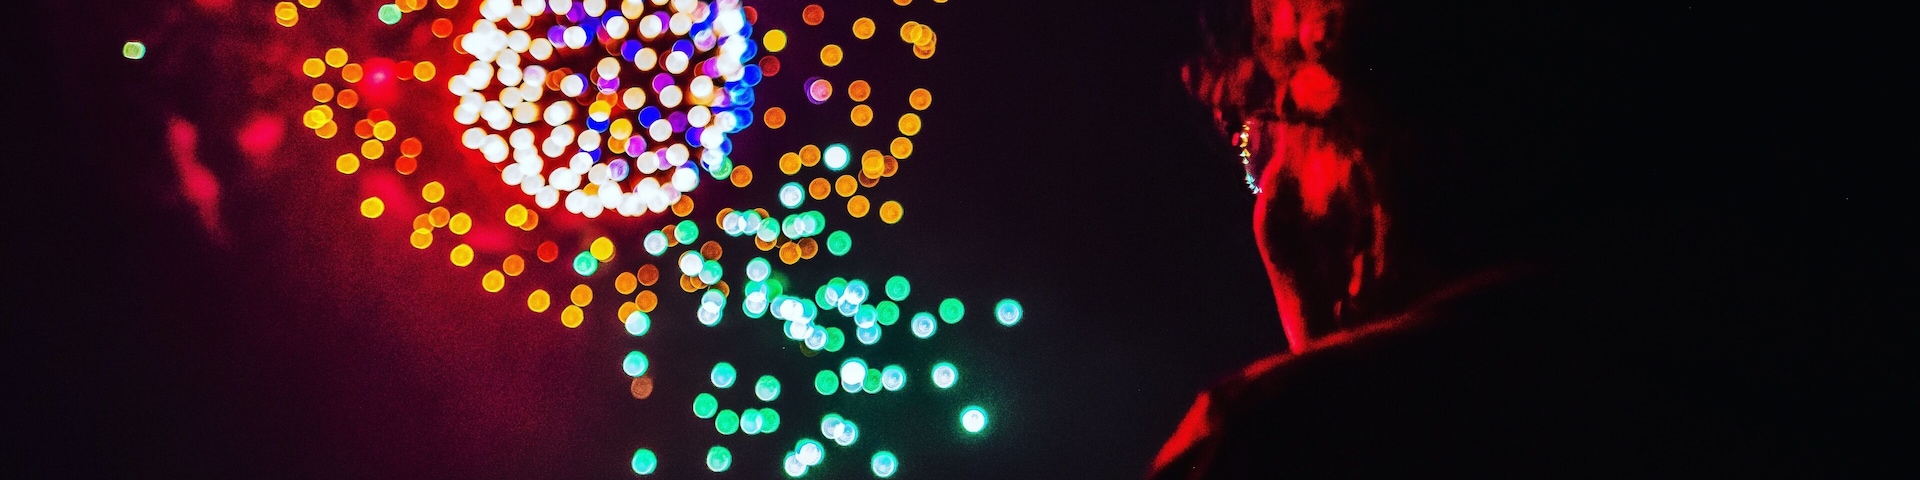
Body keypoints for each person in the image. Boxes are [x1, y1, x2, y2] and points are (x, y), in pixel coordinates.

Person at [1149, 0, 1812, 476]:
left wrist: (1329, 376)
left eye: (1261, 139)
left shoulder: (1279, 436)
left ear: (1356, 138)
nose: (1266, 205)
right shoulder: (1800, 372)